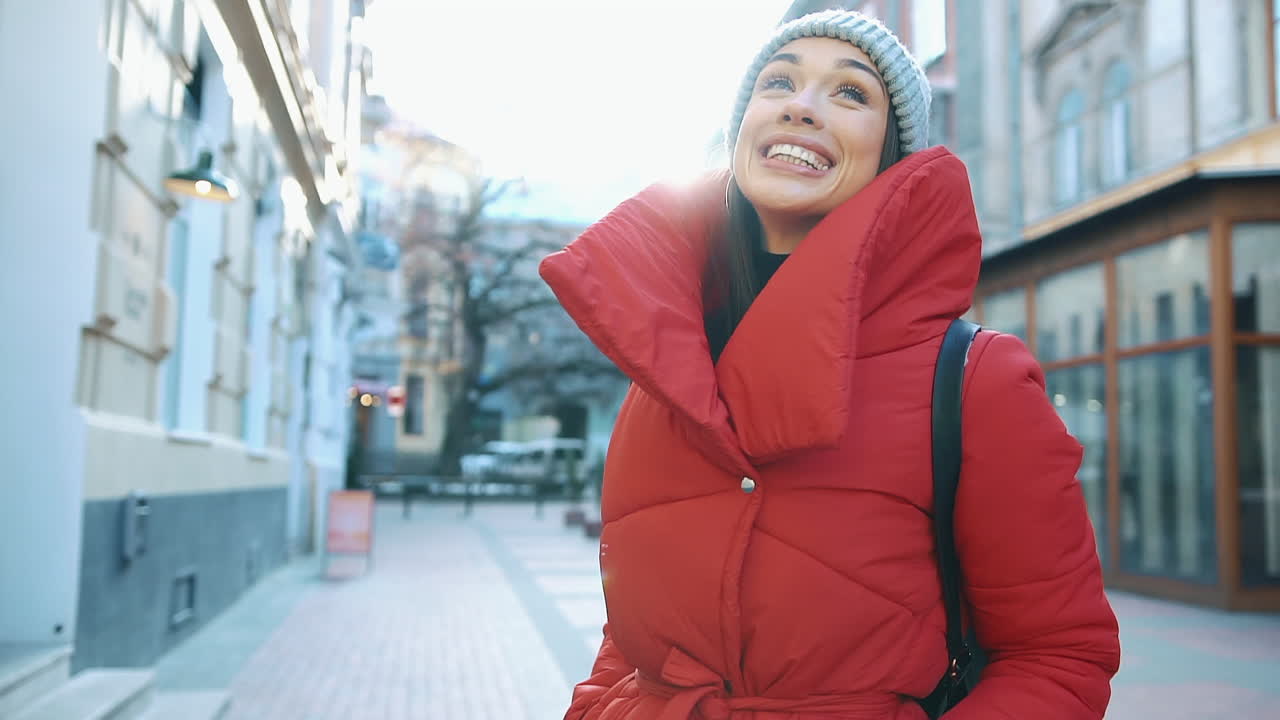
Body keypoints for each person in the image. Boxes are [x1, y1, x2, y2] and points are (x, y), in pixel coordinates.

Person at [539, 9, 1120, 720]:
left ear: (892, 158)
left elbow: (1059, 656)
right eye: (778, 83)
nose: (801, 106)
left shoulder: (974, 382)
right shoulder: (662, 375)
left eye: (850, 93)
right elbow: (631, 643)